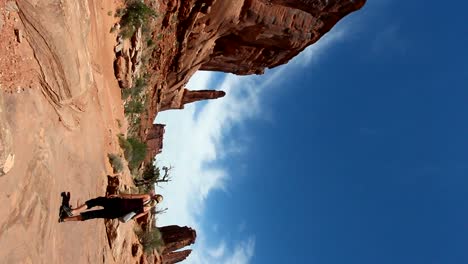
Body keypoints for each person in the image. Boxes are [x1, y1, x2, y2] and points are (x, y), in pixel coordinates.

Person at [59, 193, 163, 222]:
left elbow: (131, 196)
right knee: (94, 215)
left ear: (155, 196)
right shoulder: (147, 210)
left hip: (118, 203)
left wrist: (119, 195)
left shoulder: (147, 197)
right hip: (117, 214)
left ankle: (73, 211)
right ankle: (65, 219)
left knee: (96, 201)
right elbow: (133, 218)